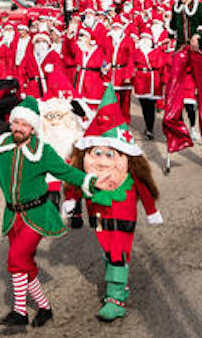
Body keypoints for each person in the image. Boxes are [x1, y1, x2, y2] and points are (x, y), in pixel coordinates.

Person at [0, 96, 107, 329]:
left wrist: (92, 182)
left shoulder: (43, 151)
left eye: (25, 124)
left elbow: (66, 172)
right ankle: (44, 308)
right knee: (26, 264)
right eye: (16, 123)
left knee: (16, 258)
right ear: (11, 123)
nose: (19, 128)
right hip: (13, 216)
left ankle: (19, 312)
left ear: (32, 128)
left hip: (38, 213)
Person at [63, 85, 163, 321]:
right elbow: (76, 179)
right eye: (96, 154)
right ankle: (120, 284)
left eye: (109, 155)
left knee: (118, 251)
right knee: (107, 250)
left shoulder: (131, 172)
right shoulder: (86, 172)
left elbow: (144, 188)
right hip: (96, 210)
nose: (102, 161)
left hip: (123, 210)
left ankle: (115, 298)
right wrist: (72, 200)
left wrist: (151, 211)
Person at [163, 0, 202, 170]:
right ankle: (176, 139)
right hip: (181, 49)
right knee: (171, 96)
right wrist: (168, 26)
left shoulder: (200, 6)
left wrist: (197, 35)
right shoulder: (175, 7)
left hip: (198, 51)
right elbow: (172, 29)